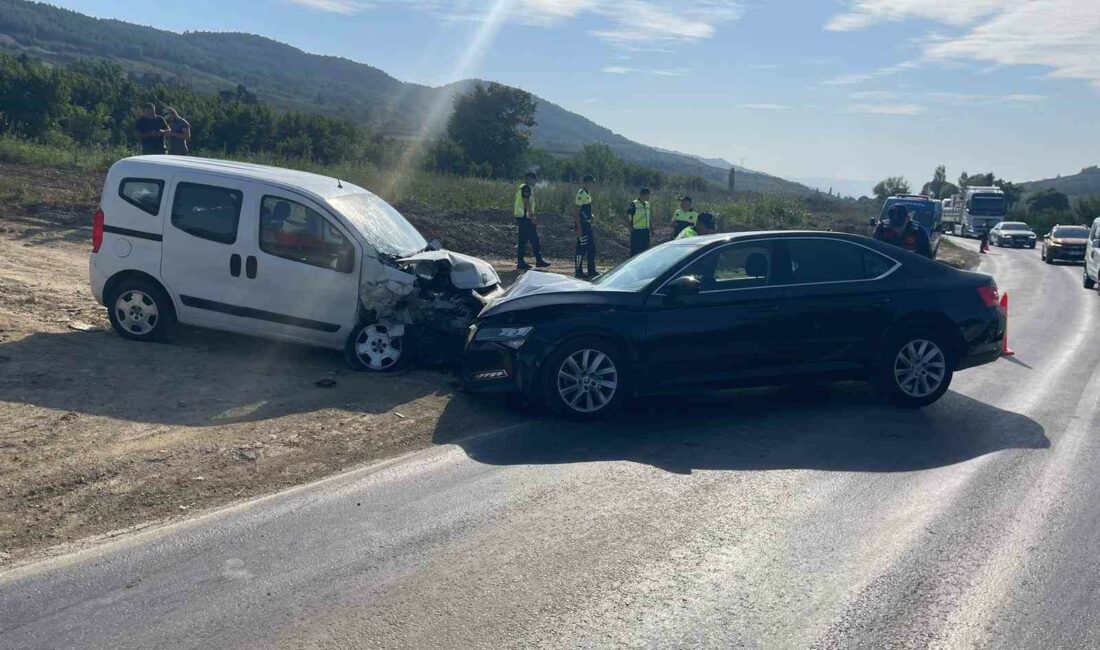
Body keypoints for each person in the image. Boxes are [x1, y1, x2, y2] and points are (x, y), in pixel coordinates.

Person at [514, 171, 550, 270]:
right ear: (529, 179)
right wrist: (532, 216)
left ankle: (521, 262)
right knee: (535, 239)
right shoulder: (526, 188)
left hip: (522, 217)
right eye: (534, 180)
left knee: (522, 241)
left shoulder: (521, 187)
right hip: (526, 218)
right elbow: (526, 202)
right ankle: (539, 260)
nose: (535, 182)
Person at [574, 174, 597, 278]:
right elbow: (577, 212)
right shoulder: (581, 193)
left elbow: (585, 209)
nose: (592, 184)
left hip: (587, 223)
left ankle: (591, 271)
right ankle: (578, 271)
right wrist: (579, 228)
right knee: (581, 248)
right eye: (591, 182)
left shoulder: (588, 193)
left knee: (591, 248)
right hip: (582, 225)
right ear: (586, 182)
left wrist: (590, 215)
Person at [627, 187, 652, 256]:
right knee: (635, 250)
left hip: (645, 231)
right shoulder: (633, 204)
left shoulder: (648, 204)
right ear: (642, 195)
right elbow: (628, 215)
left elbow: (648, 216)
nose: (649, 197)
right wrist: (629, 226)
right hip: (636, 231)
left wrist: (651, 227)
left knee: (645, 251)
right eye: (648, 195)